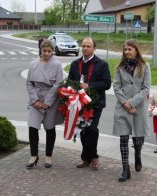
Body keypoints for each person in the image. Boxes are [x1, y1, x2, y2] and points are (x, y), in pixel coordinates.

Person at [68, 37, 111, 171]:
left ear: (94, 48)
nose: (85, 48)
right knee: (83, 130)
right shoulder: (75, 64)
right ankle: (88, 158)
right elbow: (69, 82)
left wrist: (90, 86)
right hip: (79, 103)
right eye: (83, 46)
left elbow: (107, 84)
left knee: (92, 129)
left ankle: (93, 157)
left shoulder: (102, 64)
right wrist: (75, 87)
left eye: (88, 46)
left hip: (95, 103)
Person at [113, 39, 151, 182]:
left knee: (138, 138)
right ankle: (125, 168)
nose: (127, 52)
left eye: (130, 49)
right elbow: (116, 87)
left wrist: (132, 102)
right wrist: (125, 103)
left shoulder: (145, 66)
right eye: (125, 49)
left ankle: (138, 154)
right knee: (123, 138)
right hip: (123, 108)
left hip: (139, 107)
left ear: (136, 50)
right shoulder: (120, 68)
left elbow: (146, 88)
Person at [26, 39, 63, 169]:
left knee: (50, 128)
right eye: (44, 51)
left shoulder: (57, 65)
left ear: (52, 51)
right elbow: (29, 83)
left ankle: (48, 155)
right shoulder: (33, 64)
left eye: (49, 51)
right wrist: (35, 100)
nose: (46, 53)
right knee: (32, 126)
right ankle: (34, 155)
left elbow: (58, 84)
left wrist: (47, 102)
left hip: (51, 99)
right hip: (35, 99)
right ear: (40, 50)